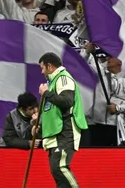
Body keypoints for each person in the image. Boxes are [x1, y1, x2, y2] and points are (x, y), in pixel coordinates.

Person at [38, 52, 88, 188]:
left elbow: (67, 101)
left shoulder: (63, 78)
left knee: (60, 167)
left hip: (65, 131)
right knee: (57, 172)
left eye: (42, 68)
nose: (42, 72)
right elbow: (52, 112)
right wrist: (39, 127)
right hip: (56, 133)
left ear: (49, 66)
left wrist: (46, 94)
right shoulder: (53, 82)